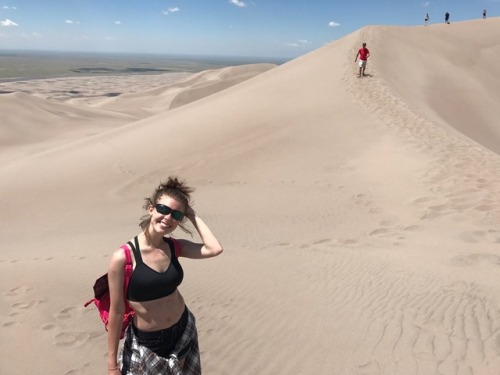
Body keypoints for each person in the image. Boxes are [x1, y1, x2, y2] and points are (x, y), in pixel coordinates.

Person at [106, 177, 223, 374]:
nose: (168, 218)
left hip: (182, 330)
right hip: (149, 344)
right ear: (150, 208)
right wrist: (112, 365)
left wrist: (192, 214)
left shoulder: (174, 247)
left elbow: (214, 248)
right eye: (163, 209)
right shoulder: (123, 257)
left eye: (176, 214)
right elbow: (116, 312)